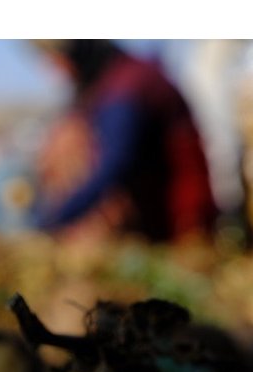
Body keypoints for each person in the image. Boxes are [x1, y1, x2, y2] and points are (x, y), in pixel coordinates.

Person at [29, 40, 219, 243]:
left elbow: (116, 161)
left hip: (179, 225)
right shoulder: (106, 86)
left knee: (70, 142)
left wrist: (55, 221)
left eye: (56, 62)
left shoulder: (127, 86)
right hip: (152, 222)